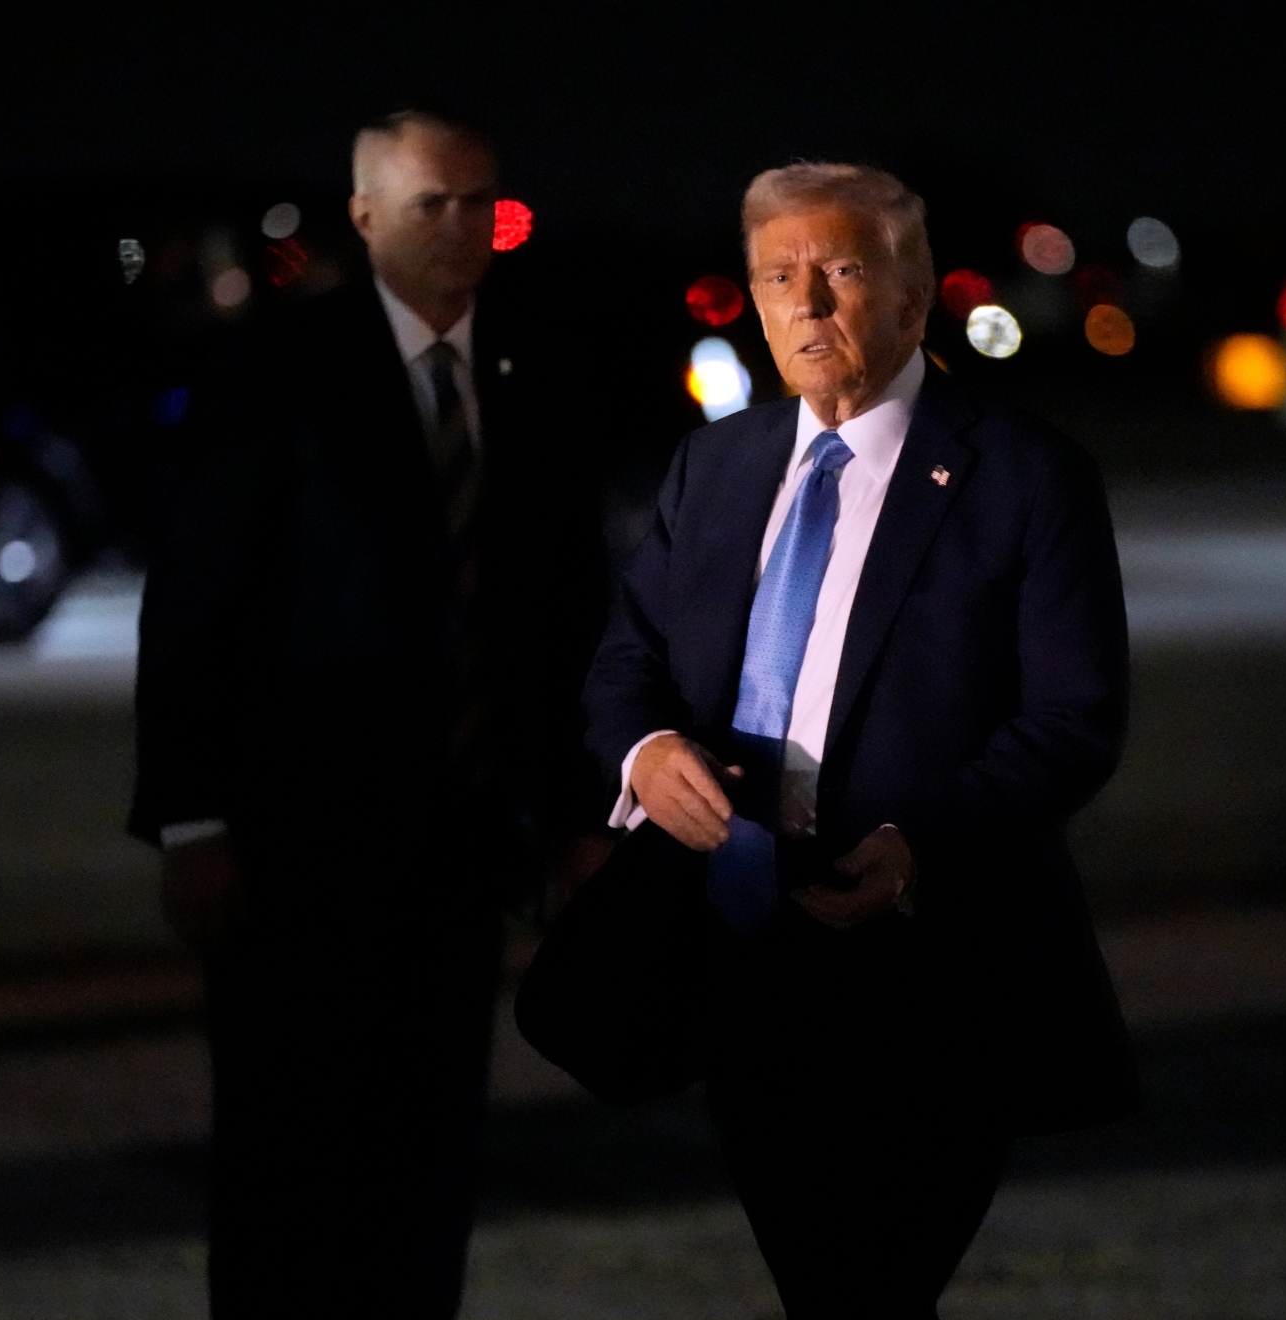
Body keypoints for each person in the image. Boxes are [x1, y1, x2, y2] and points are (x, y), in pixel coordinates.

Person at [575, 164, 1136, 1318]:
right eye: (778, 277)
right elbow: (626, 658)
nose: (807, 305)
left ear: (913, 293)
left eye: (839, 272)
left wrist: (920, 841)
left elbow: (1074, 720)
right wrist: (643, 755)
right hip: (740, 950)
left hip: (928, 965)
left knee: (865, 1287)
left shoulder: (1025, 477)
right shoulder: (718, 465)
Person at [129, 110, 605, 1318]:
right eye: (429, 204)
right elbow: (194, 608)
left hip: (460, 849)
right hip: (295, 852)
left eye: (479, 203)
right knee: (285, 1165)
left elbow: (558, 613)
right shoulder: (281, 370)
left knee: (429, 1157)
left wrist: (574, 813)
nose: (460, 230)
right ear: (363, 214)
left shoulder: (532, 372)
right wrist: (191, 823)